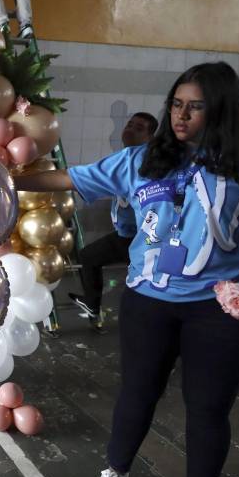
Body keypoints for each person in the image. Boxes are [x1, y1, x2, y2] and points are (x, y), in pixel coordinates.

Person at [15, 62, 239, 477]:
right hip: (149, 302)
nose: (182, 117)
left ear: (222, 110)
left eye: (196, 108)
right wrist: (5, 177)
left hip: (221, 310)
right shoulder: (144, 159)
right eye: (177, 105)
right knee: (137, 393)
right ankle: (114, 473)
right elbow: (71, 178)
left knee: (207, 408)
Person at [69, 112, 158, 331]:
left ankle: (94, 305)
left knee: (89, 256)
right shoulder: (125, 158)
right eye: (129, 124)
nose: (130, 129)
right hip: (127, 235)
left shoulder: (144, 163)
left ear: (149, 137)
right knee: (92, 257)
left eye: (138, 128)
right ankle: (95, 305)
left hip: (135, 237)